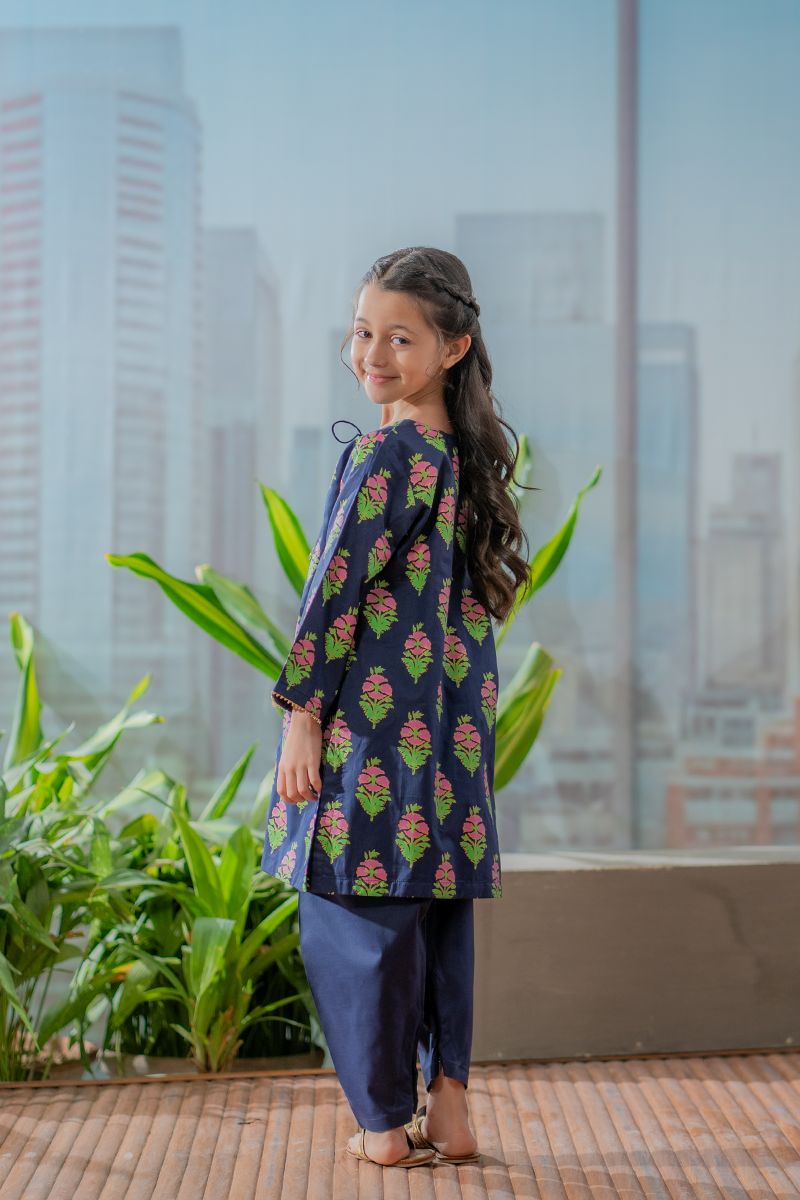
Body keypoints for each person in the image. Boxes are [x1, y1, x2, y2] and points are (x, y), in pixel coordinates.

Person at [261, 246, 532, 1168]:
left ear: (452, 348)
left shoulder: (385, 455)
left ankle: (382, 1128)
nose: (371, 354)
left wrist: (302, 716)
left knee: (355, 919)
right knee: (436, 910)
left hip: (375, 733)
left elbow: (334, 591)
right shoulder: (469, 464)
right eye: (362, 331)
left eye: (399, 337)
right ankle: (448, 1113)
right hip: (451, 738)